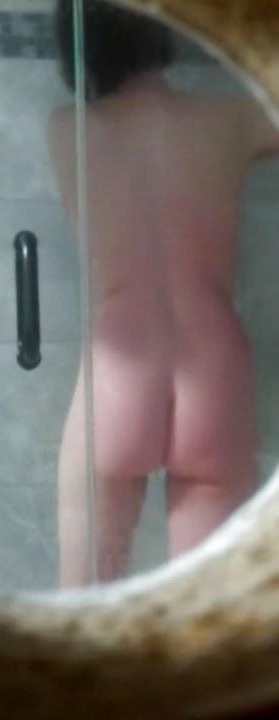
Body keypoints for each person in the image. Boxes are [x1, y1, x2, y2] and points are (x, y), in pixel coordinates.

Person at [50, 0, 279, 586]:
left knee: (84, 604)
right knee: (206, 604)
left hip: (119, 370)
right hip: (213, 368)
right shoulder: (231, 121)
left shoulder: (68, 128)